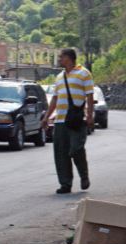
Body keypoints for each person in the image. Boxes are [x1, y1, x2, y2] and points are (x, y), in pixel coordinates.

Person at [42, 49, 94, 194]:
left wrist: (90, 115)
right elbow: (55, 98)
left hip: (77, 119)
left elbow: (89, 96)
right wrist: (47, 117)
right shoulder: (59, 77)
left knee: (76, 149)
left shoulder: (84, 73)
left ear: (69, 59)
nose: (59, 59)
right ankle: (65, 184)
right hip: (60, 120)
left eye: (61, 57)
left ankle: (84, 176)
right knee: (61, 153)